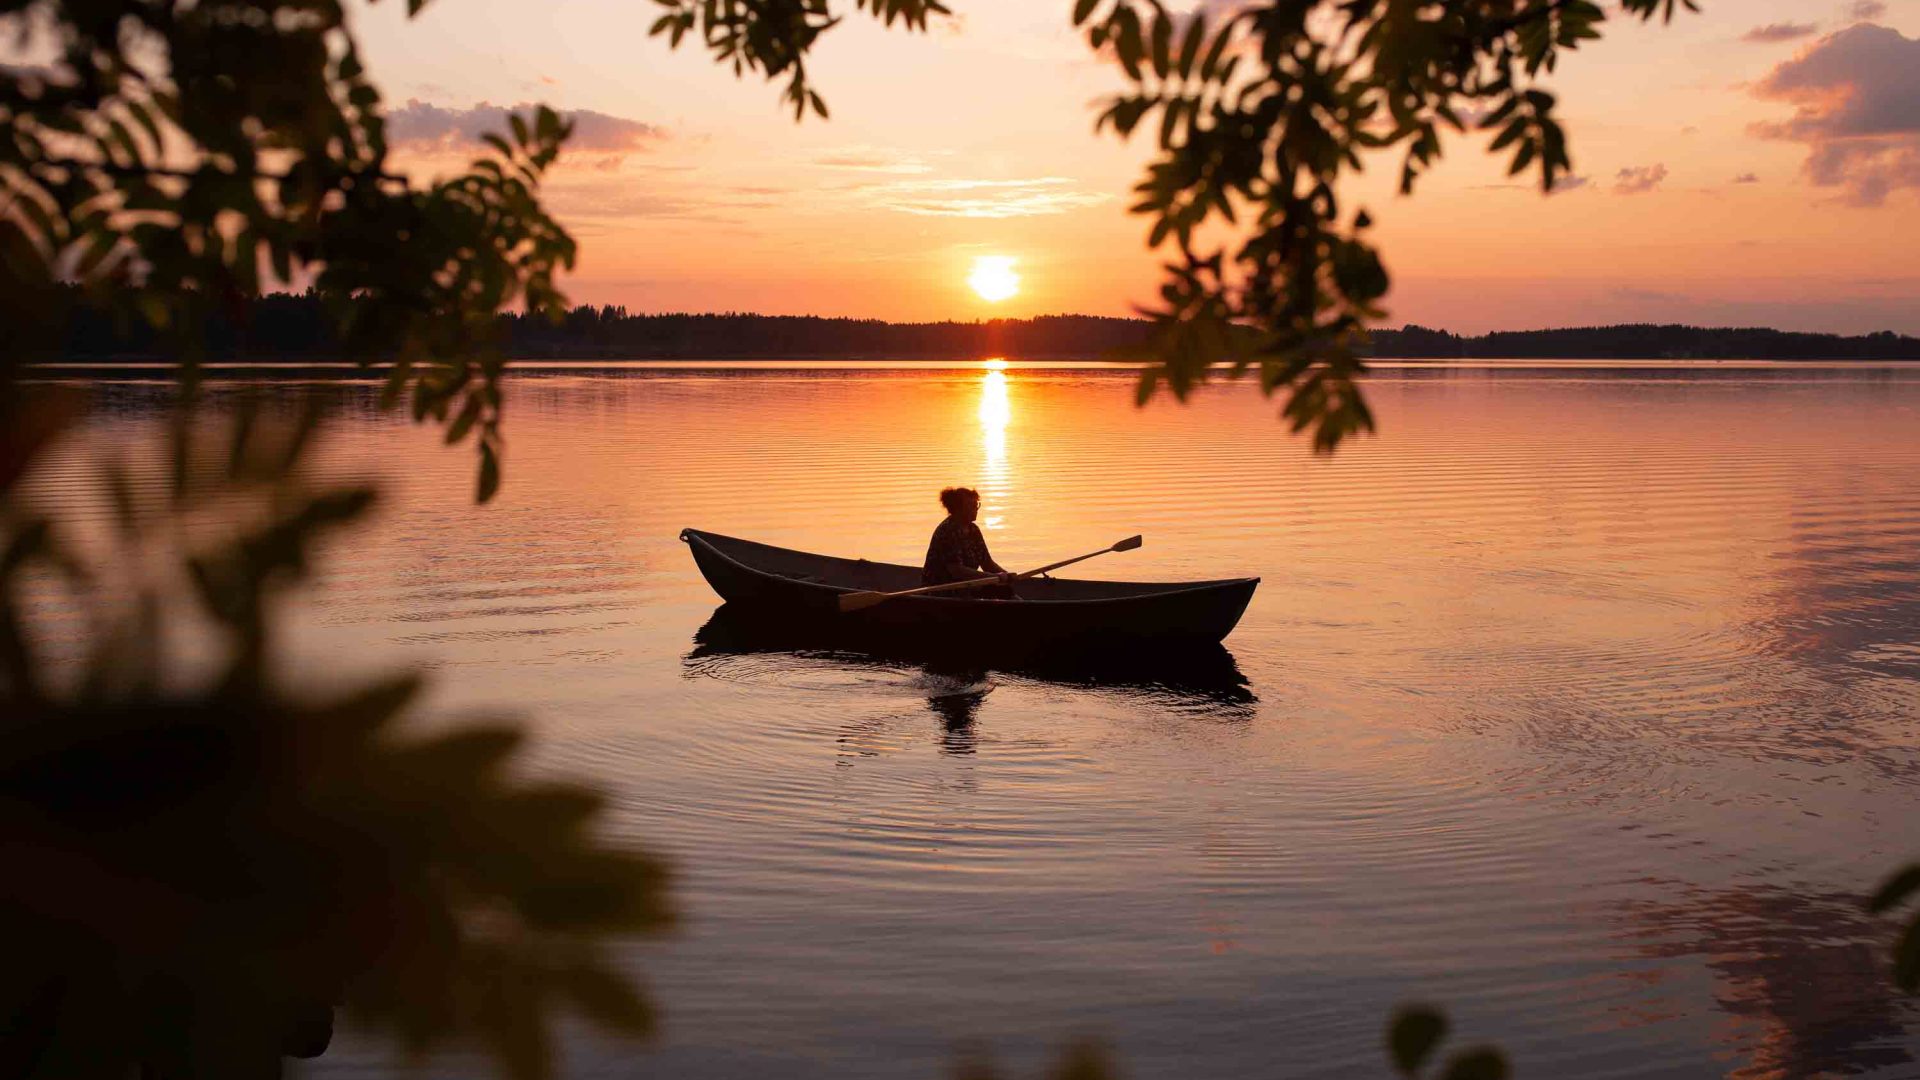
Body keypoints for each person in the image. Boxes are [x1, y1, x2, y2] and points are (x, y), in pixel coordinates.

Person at [922, 487, 1015, 598]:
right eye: (971, 506)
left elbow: (987, 563)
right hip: (944, 588)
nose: (976, 509)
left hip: (967, 584)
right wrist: (992, 577)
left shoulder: (973, 530)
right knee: (998, 590)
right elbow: (956, 570)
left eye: (977, 505)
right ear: (958, 509)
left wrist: (1006, 575)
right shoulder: (948, 531)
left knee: (1004, 589)